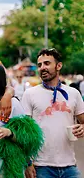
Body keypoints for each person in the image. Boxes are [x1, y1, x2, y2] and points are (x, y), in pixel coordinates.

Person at [22, 48, 84, 178]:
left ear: (58, 66)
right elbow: (24, 132)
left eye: (47, 63)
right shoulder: (30, 94)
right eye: (39, 65)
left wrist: (82, 128)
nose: (42, 68)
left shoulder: (73, 93)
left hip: (70, 166)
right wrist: (28, 163)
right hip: (41, 166)